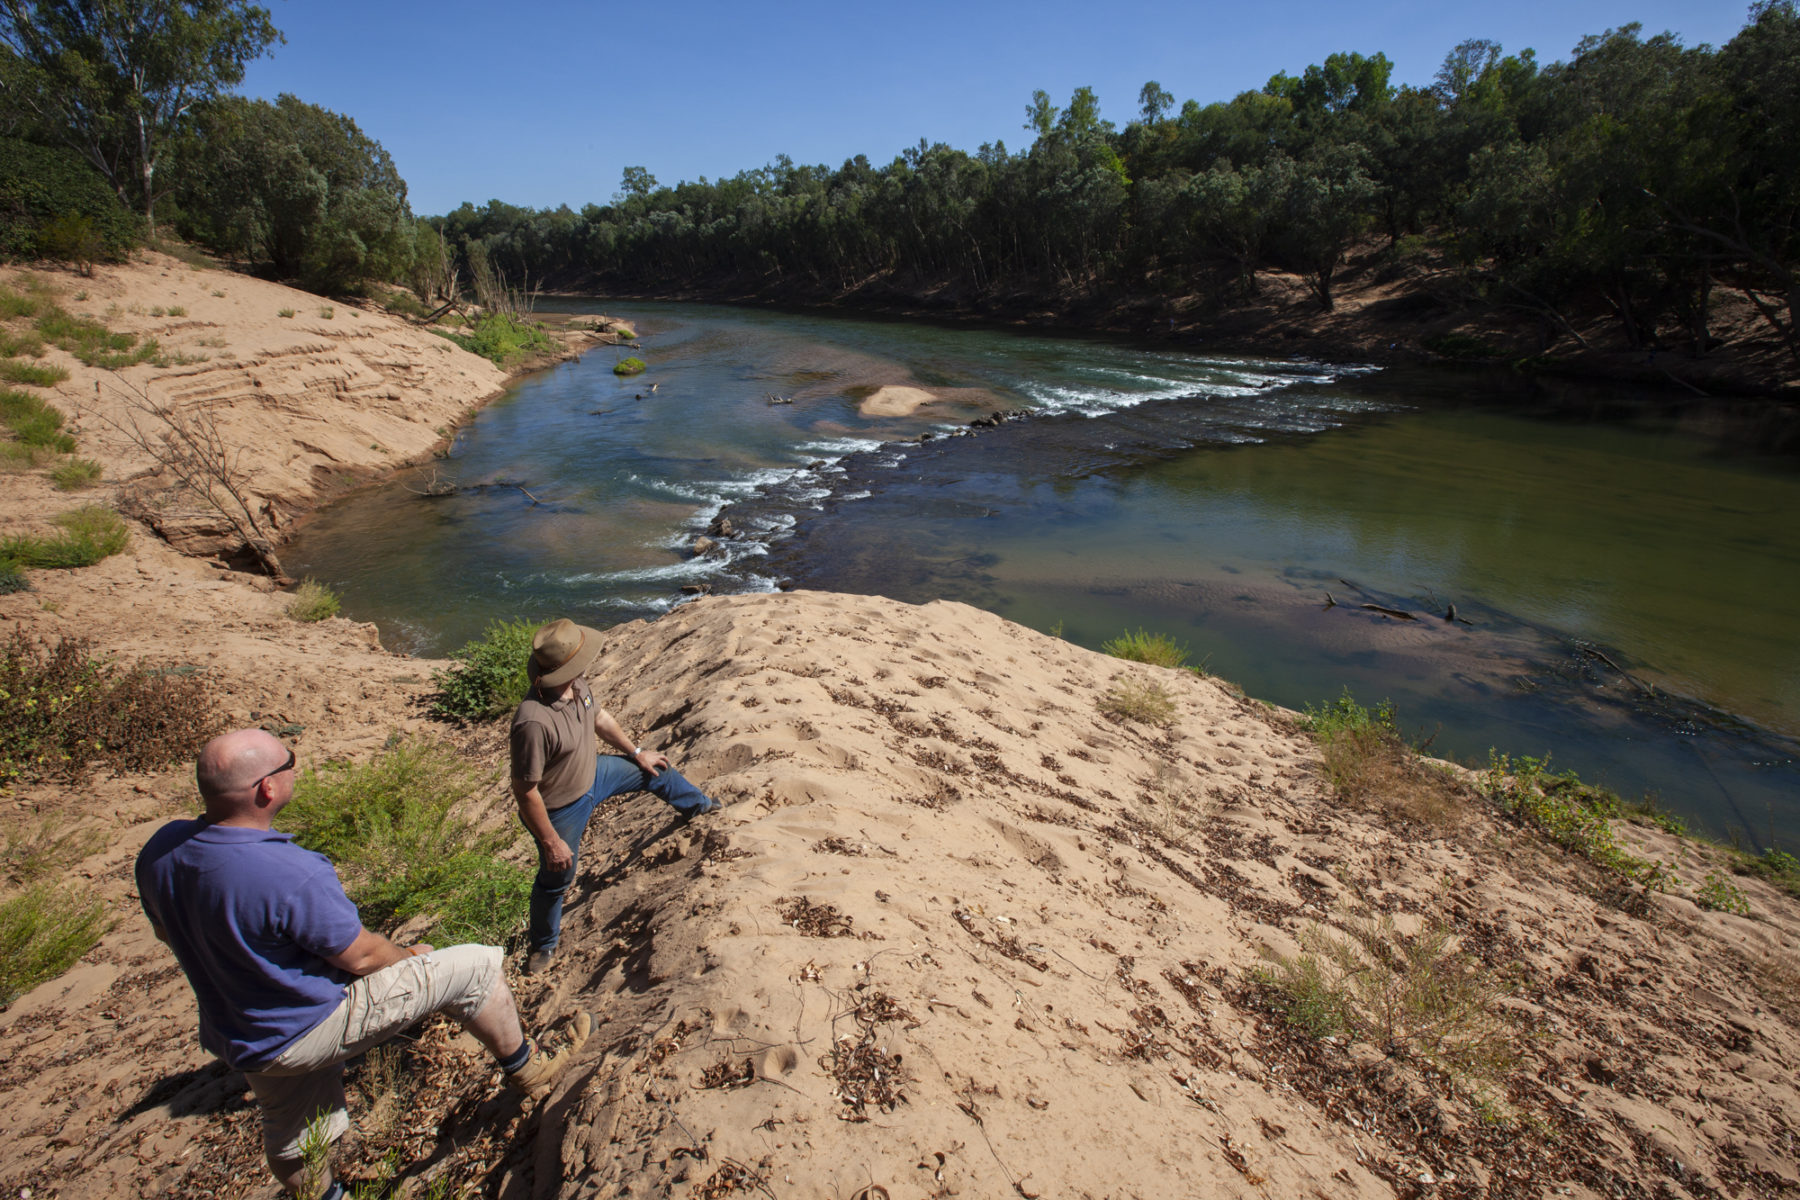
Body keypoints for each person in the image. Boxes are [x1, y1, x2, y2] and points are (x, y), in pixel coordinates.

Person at [137, 729, 590, 1199]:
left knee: (290, 1135)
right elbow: (364, 956)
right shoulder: (289, 870)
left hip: (245, 1034)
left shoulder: (160, 851)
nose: (296, 767)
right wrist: (411, 957)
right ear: (266, 789)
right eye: (288, 761)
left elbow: (166, 932)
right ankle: (528, 1068)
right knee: (475, 966)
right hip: (309, 1023)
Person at [512, 618, 719, 974]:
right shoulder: (532, 723)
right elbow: (525, 790)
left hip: (596, 774)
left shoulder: (576, 684)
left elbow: (600, 719)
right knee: (557, 877)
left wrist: (636, 751)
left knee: (656, 771)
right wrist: (550, 842)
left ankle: (700, 808)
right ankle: (543, 946)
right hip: (561, 808)